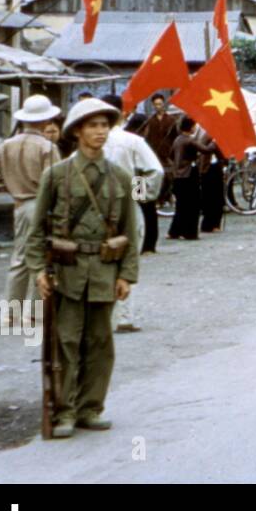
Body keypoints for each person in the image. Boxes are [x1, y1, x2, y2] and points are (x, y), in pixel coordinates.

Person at [23, 97, 139, 438]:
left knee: (101, 343)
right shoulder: (56, 175)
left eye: (105, 125)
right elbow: (37, 230)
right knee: (66, 343)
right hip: (67, 273)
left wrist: (126, 275)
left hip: (104, 271)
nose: (100, 132)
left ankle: (91, 408)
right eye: (93, 126)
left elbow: (129, 231)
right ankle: (64, 412)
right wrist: (37, 272)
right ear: (76, 132)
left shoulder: (119, 176)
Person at [0, 93, 61, 327]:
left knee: (20, 257)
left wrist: (8, 187)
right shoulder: (47, 147)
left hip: (20, 203)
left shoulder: (7, 145)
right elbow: (54, 182)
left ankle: (11, 313)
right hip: (42, 205)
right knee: (42, 258)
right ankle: (34, 313)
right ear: (45, 120)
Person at [98, 94, 163, 333]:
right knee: (128, 259)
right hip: (126, 206)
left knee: (100, 259)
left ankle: (103, 315)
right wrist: (139, 194)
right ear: (122, 113)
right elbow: (155, 171)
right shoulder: (131, 141)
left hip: (95, 207)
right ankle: (123, 316)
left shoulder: (88, 141)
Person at [167, 117, 212, 240]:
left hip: (178, 176)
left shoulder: (177, 140)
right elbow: (206, 150)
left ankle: (174, 231)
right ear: (191, 127)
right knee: (193, 205)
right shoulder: (189, 141)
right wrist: (215, 141)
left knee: (181, 205)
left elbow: (170, 155)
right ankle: (189, 232)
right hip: (188, 175)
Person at [196, 130, 225, 234]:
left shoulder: (210, 134)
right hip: (209, 168)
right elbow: (207, 149)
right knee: (212, 197)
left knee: (216, 197)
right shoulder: (208, 135)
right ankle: (210, 224)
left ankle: (214, 223)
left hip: (214, 166)